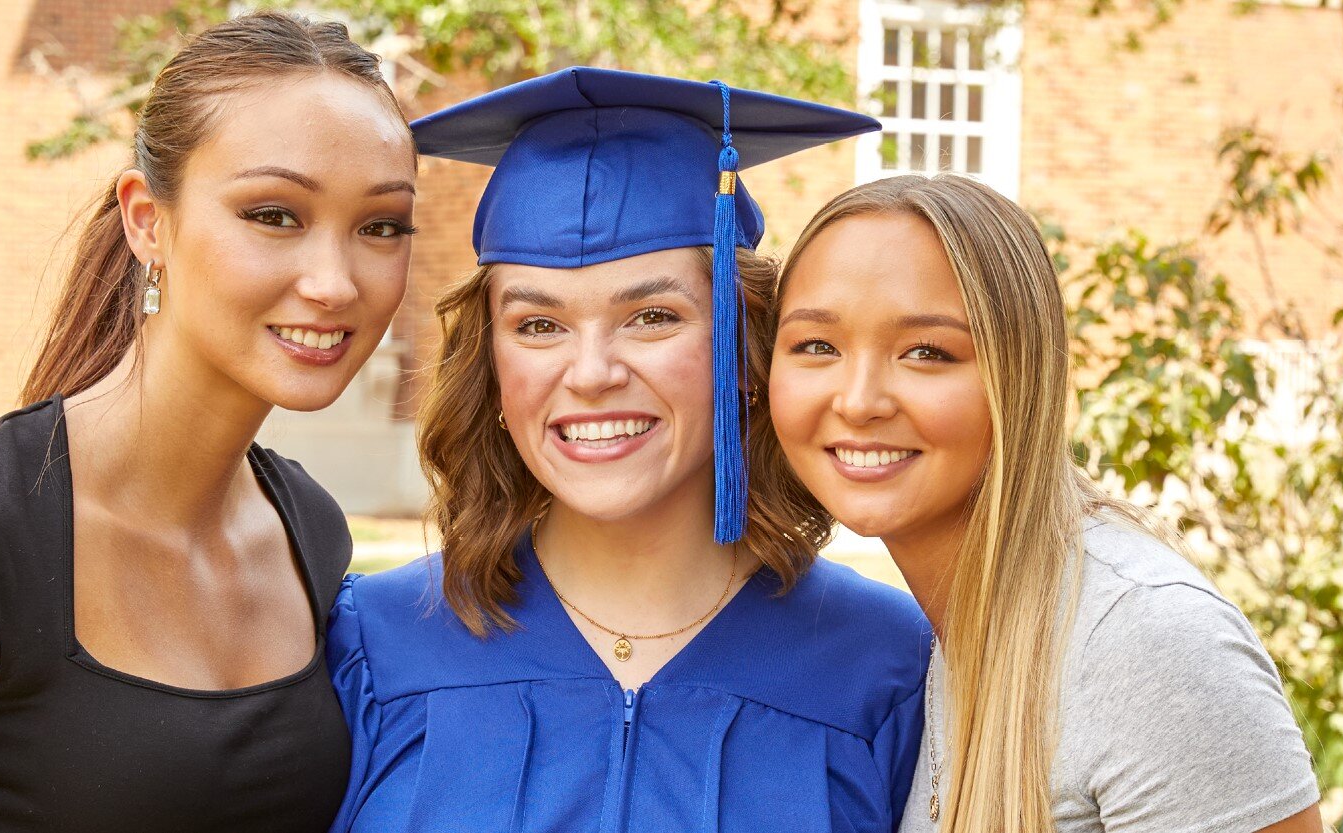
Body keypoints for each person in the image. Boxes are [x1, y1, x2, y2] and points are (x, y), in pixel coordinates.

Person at [0, 12, 416, 831]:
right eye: (274, 214)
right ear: (149, 220)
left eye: (381, 226)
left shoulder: (307, 530)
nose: (334, 280)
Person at [328, 67, 930, 832]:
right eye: (538, 325)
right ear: (494, 370)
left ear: (743, 354)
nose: (590, 374)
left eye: (651, 315)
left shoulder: (885, 668)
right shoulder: (372, 646)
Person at [765, 174, 1324, 833]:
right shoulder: (958, 631)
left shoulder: (1142, 641)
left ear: (1022, 373)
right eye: (818, 346)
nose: (858, 400)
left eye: (927, 352)